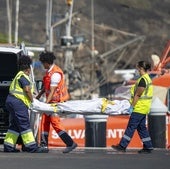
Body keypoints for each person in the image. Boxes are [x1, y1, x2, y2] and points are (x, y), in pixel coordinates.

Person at [4, 55, 48, 153]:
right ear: (28, 70)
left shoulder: (18, 75)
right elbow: (27, 90)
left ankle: (8, 146)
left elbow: (23, 90)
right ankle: (32, 147)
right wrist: (32, 100)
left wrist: (31, 95)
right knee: (24, 124)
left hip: (11, 101)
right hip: (18, 103)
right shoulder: (24, 76)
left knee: (15, 125)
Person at [36, 51, 77, 153]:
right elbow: (46, 87)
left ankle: (70, 143)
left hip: (57, 102)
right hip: (51, 102)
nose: (42, 65)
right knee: (44, 121)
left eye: (43, 63)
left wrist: (45, 104)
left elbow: (53, 90)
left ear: (47, 62)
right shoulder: (49, 73)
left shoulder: (55, 74)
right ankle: (44, 145)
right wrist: (39, 96)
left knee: (55, 123)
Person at [111, 61, 153, 154]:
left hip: (139, 108)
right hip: (144, 108)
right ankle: (148, 146)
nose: (136, 70)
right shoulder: (147, 79)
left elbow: (137, 95)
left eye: (137, 68)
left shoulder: (142, 80)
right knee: (142, 128)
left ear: (141, 69)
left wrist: (132, 107)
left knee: (131, 127)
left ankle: (122, 146)